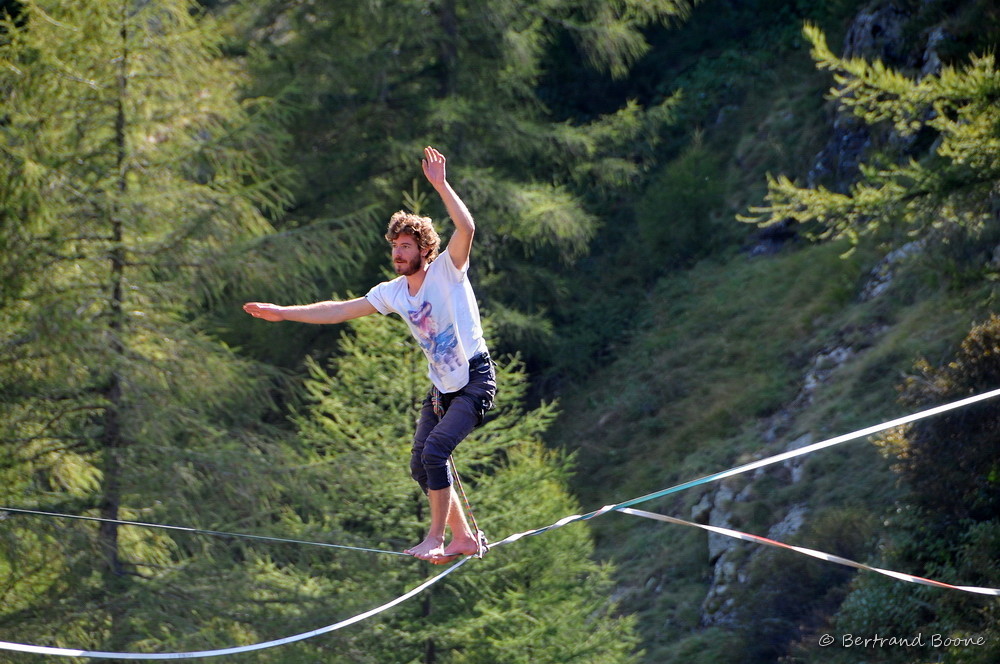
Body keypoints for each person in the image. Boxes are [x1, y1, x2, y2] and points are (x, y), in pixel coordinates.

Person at [243, 146, 495, 564]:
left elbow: (466, 227)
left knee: (436, 452)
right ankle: (463, 537)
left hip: (473, 381)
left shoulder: (447, 270)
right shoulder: (392, 292)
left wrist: (441, 185)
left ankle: (436, 538)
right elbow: (339, 310)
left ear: (424, 250)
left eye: (407, 246)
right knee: (421, 466)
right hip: (440, 390)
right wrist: (282, 313)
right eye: (395, 246)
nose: (399, 253)